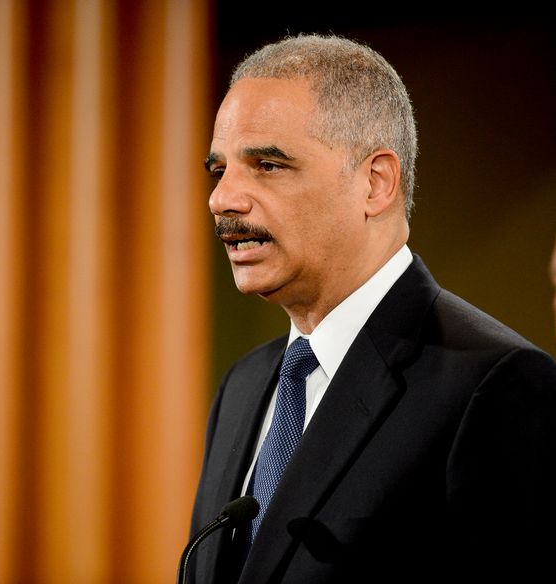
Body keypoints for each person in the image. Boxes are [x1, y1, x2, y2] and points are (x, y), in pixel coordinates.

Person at [188, 33, 556, 583]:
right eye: (220, 170)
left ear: (375, 182)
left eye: (267, 164)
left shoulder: (495, 387)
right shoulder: (243, 386)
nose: (223, 198)